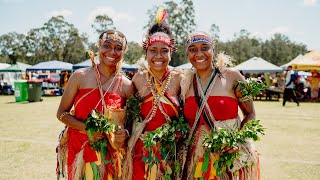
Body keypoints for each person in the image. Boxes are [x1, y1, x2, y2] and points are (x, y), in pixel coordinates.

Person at [56, 29, 135, 180]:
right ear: (99, 46)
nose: (112, 51)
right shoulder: (80, 77)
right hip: (80, 150)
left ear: (123, 52)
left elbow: (132, 122)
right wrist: (86, 128)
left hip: (111, 156)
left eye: (118, 48)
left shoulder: (127, 85)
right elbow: (61, 113)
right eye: (107, 45)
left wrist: (124, 133)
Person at [180, 31, 260, 179]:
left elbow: (250, 114)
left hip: (230, 159)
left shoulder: (233, 76)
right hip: (197, 163)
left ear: (213, 50)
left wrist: (238, 141)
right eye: (193, 49)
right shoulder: (185, 83)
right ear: (187, 54)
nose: (199, 54)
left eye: (205, 47)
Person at [123, 7, 183, 180]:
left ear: (171, 52)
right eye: (153, 50)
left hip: (170, 154)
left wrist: (180, 133)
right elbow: (127, 117)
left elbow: (188, 117)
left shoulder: (181, 79)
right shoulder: (137, 80)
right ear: (146, 52)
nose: (158, 56)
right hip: (140, 153)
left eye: (164, 50)